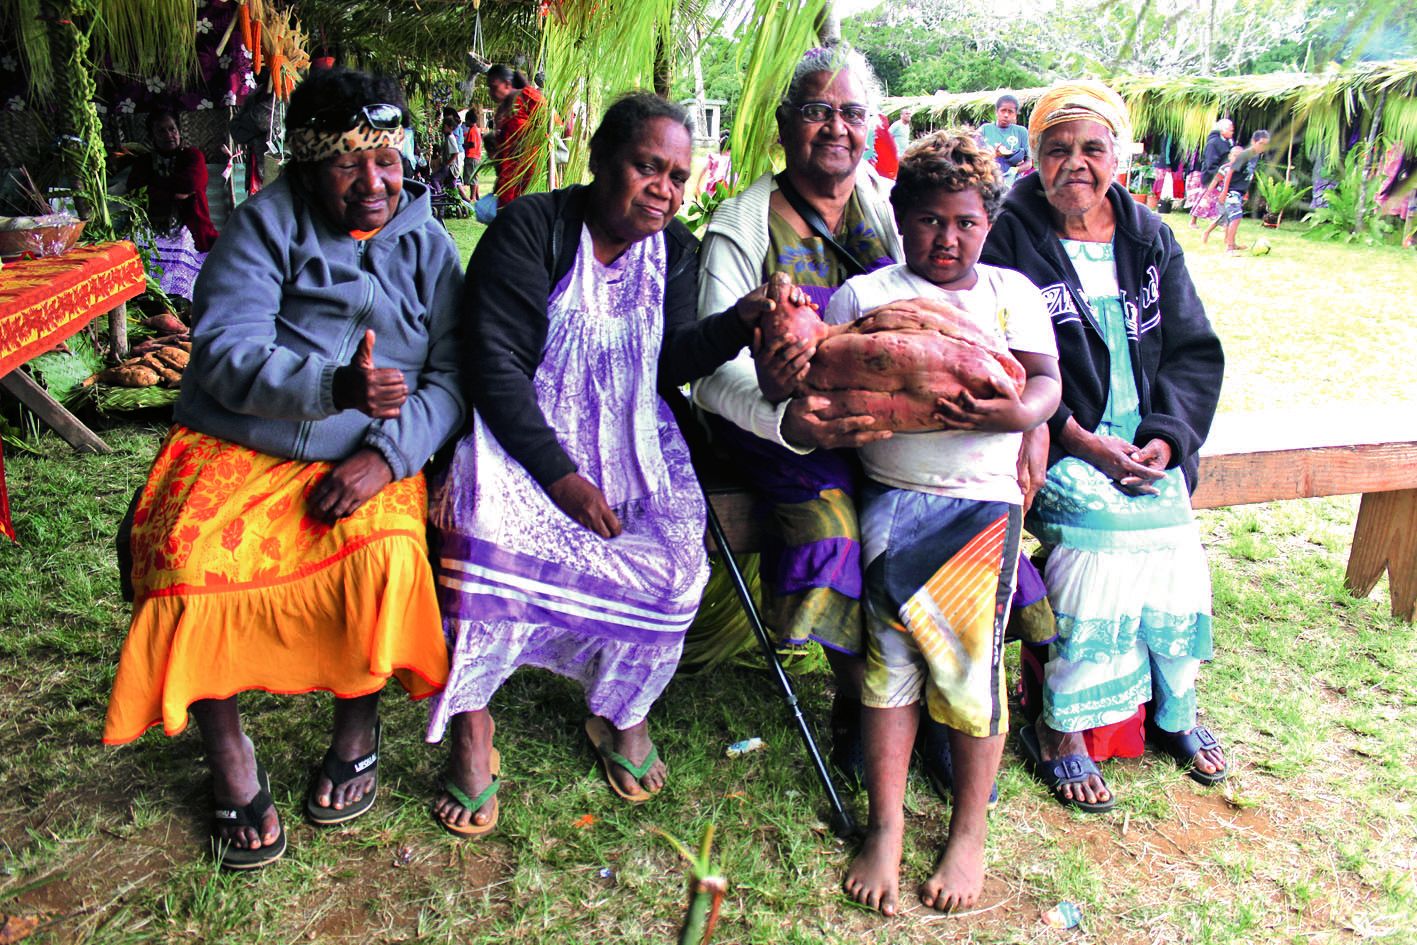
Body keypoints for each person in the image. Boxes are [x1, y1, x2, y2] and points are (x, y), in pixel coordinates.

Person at [102, 68, 465, 869]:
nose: (373, 182)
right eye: (348, 164)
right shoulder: (264, 225)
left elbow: (452, 377)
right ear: (307, 165)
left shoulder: (431, 246)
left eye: (387, 160)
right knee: (183, 558)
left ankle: (357, 719)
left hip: (373, 449)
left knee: (383, 556)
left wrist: (387, 456)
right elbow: (225, 353)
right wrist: (332, 385)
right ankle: (228, 751)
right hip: (243, 434)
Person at [426, 93, 774, 835]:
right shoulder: (534, 229)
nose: (663, 189)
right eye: (646, 167)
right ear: (600, 161)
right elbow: (493, 367)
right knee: (482, 526)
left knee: (678, 565)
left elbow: (668, 361)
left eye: (677, 176)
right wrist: (562, 477)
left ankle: (624, 709)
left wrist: (737, 323)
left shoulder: (673, 251)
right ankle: (473, 723)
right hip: (524, 436)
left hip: (631, 437)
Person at [980, 80, 1227, 812]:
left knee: (1174, 533)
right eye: (1056, 149)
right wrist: (1079, 442)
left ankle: (1173, 710)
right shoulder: (1009, 230)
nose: (1075, 164)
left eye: (1092, 148)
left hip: (1141, 443)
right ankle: (1058, 727)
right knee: (1106, 532)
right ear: (1033, 157)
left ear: (1118, 154)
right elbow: (996, 356)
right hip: (1047, 441)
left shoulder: (1147, 234)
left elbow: (1191, 351)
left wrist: (1166, 438)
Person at [835, 132, 1060, 916]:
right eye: (929, 220)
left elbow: (1044, 382)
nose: (947, 237)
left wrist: (1017, 412)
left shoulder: (1009, 294)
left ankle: (968, 830)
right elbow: (835, 387)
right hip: (889, 503)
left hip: (978, 509)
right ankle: (886, 825)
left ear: (987, 223)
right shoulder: (865, 297)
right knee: (886, 664)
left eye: (964, 222)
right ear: (900, 216)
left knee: (970, 673)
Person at [693, 44, 901, 781]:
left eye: (851, 112)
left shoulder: (887, 208)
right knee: (834, 524)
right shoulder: (743, 223)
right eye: (817, 110)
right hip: (773, 430)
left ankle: (926, 697)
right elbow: (709, 375)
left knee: (929, 509)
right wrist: (785, 417)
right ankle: (854, 701)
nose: (835, 127)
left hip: (874, 418)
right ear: (784, 125)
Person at [125, 109, 220, 298]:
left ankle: (181, 305)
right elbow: (135, 191)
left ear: (179, 131)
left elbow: (192, 183)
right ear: (152, 136)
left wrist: (155, 187)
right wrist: (174, 192)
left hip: (192, 230)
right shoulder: (144, 162)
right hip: (151, 227)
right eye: (161, 131)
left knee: (181, 262)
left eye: (172, 129)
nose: (169, 135)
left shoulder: (193, 156)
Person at [486, 63, 545, 207]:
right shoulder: (500, 111)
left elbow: (548, 122)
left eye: (494, 87)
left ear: (507, 84)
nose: (491, 93)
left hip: (529, 175)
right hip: (508, 180)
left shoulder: (527, 96)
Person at [1205, 130, 1270, 251]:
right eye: (1261, 143)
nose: (1263, 147)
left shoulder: (1255, 156)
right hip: (1231, 191)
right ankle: (1229, 247)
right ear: (1253, 142)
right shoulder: (1245, 154)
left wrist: (1246, 191)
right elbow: (1230, 172)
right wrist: (1224, 192)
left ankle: (1232, 243)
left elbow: (1245, 175)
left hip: (1239, 191)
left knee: (1233, 218)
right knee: (1236, 217)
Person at [1189, 118, 1234, 228]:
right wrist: (1216, 174)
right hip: (1212, 174)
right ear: (1222, 130)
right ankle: (1193, 221)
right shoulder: (1214, 142)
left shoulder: (1227, 142)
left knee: (1220, 200)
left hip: (1222, 173)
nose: (1232, 132)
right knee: (1204, 197)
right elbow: (1210, 161)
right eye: (1230, 130)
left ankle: (1222, 222)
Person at [978, 94, 1029, 188]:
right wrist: (994, 155)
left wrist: (1014, 171)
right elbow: (976, 159)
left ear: (1015, 114)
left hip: (1013, 185)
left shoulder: (1021, 132)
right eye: (1003, 110)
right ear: (996, 112)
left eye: (1010, 112)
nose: (1006, 115)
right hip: (990, 183)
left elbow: (1029, 163)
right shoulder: (984, 130)